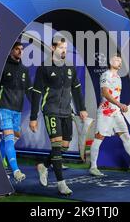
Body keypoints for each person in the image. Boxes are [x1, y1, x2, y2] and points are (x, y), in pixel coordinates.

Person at [29, 37, 88, 196]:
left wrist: (82, 108)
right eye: (61, 47)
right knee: (56, 146)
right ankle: (61, 184)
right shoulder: (44, 67)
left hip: (66, 111)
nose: (64, 50)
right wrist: (33, 117)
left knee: (65, 146)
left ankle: (44, 165)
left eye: (66, 48)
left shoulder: (70, 67)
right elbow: (36, 93)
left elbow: (76, 89)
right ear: (53, 48)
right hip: (51, 110)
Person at [89, 54, 130, 176]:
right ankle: (93, 167)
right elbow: (105, 93)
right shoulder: (106, 75)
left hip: (116, 112)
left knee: (126, 138)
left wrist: (118, 107)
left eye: (120, 60)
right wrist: (119, 104)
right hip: (105, 112)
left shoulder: (118, 77)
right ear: (110, 62)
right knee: (99, 138)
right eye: (116, 60)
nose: (119, 62)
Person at [0, 42, 32, 182]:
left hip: (17, 110)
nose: (20, 51)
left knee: (11, 138)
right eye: (17, 49)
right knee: (9, 138)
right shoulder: (3, 66)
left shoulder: (24, 69)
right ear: (11, 50)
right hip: (3, 106)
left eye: (21, 49)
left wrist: (37, 106)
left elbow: (29, 90)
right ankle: (16, 170)